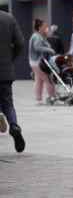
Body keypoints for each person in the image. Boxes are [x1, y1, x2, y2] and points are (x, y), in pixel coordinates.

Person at [0, 10, 26, 152]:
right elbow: (20, 43)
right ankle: (14, 125)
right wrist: (10, 59)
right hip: (5, 70)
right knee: (8, 103)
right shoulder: (8, 18)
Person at [29, 19, 56, 104]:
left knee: (39, 80)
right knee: (48, 79)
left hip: (35, 62)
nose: (47, 28)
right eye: (45, 26)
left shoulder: (39, 36)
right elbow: (37, 47)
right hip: (38, 62)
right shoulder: (37, 37)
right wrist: (49, 50)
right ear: (40, 27)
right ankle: (52, 97)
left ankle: (39, 99)